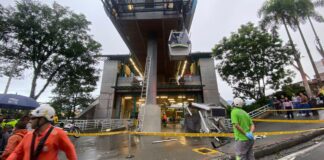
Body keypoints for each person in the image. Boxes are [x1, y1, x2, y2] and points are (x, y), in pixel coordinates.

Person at [7, 104, 77, 160]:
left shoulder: (58, 133)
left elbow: (70, 151)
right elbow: (16, 153)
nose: (30, 121)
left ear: (42, 119)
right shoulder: (29, 134)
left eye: (33, 118)